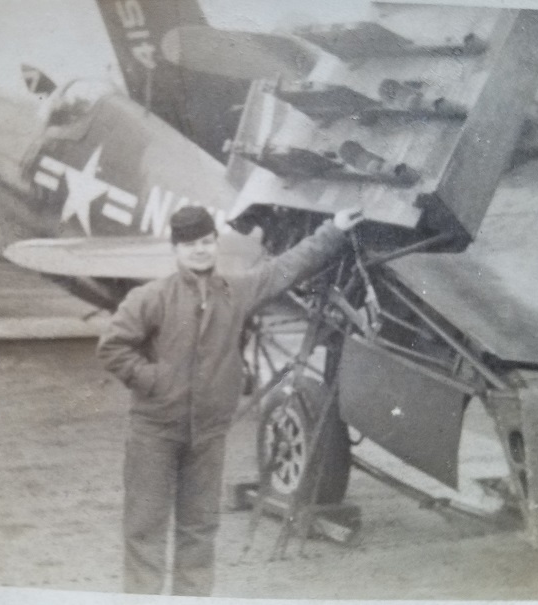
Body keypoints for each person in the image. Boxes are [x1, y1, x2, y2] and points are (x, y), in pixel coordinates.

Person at [97, 205, 364, 595]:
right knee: (145, 529)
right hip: (154, 432)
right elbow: (113, 346)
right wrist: (155, 380)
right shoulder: (151, 297)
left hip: (207, 435)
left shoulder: (235, 292)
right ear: (176, 249)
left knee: (199, 530)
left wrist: (334, 229)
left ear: (215, 244)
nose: (200, 250)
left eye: (207, 242)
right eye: (190, 244)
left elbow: (286, 268)